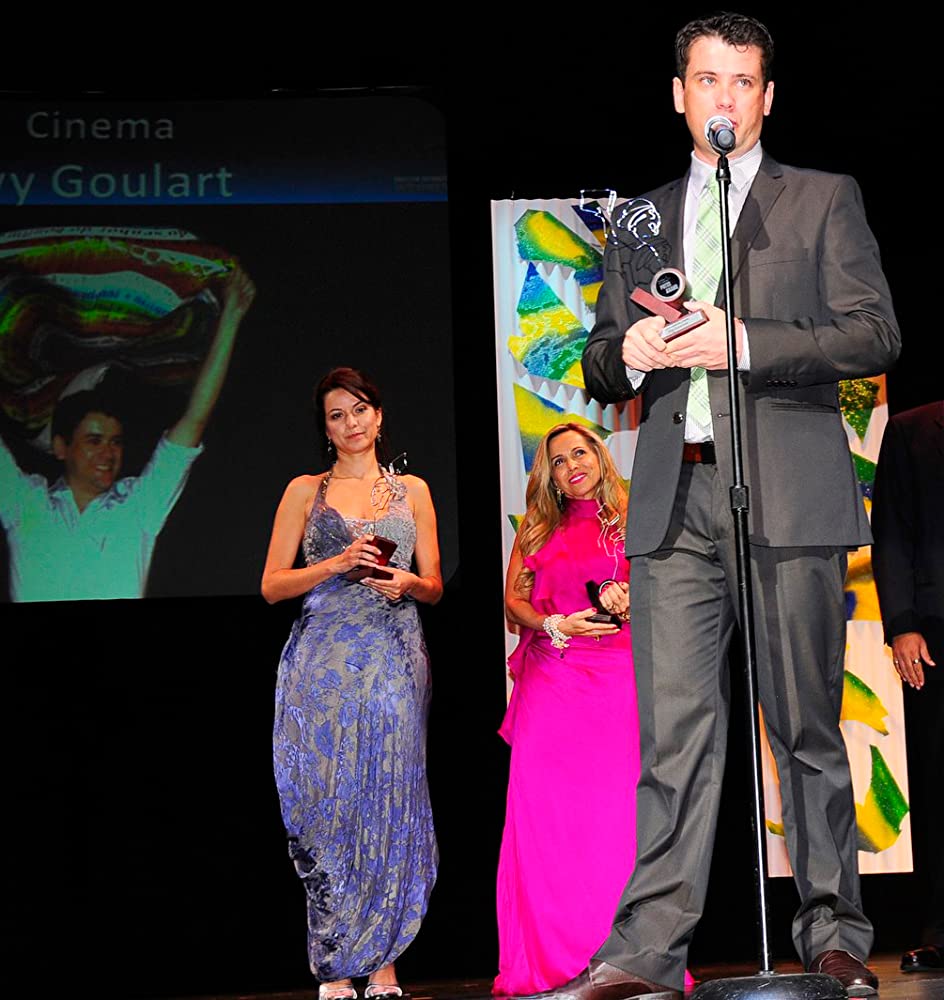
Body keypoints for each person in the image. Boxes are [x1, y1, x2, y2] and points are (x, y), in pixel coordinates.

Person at [546, 13, 901, 1000]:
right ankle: (646, 954)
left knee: (806, 731)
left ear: (766, 98)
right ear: (678, 94)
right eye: (707, 80)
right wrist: (627, 354)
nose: (724, 98)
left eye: (742, 82)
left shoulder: (821, 198)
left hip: (786, 494)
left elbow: (873, 332)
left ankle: (831, 936)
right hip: (675, 500)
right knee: (672, 742)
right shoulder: (640, 220)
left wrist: (742, 340)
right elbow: (596, 356)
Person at [262, 367, 441, 1000]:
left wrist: (409, 583)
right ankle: (336, 965)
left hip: (393, 655)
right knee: (326, 805)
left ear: (379, 415)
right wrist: (335, 563)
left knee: (389, 797)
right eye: (337, 415)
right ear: (327, 428)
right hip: (322, 662)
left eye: (360, 409)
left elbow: (434, 584)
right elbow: (271, 585)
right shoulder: (304, 491)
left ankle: (384, 964)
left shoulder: (413, 490)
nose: (352, 422)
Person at [0, 267, 255, 601]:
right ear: (61, 447)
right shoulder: (26, 503)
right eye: (94, 441)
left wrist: (232, 315)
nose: (108, 453)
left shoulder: (138, 506)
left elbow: (195, 419)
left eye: (115, 442)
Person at [495, 423, 635, 995]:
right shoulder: (537, 526)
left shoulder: (632, 519)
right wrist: (553, 622)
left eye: (580, 453)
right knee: (547, 823)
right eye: (558, 460)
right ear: (549, 475)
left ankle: (625, 959)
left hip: (619, 682)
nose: (571, 465)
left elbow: (670, 588)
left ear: (600, 458)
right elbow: (513, 602)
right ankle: (551, 960)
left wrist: (631, 598)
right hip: (552, 681)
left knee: (615, 825)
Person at [871, 400, 943, 974]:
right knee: (940, 780)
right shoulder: (911, 429)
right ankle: (942, 930)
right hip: (936, 630)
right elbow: (891, 532)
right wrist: (901, 624)